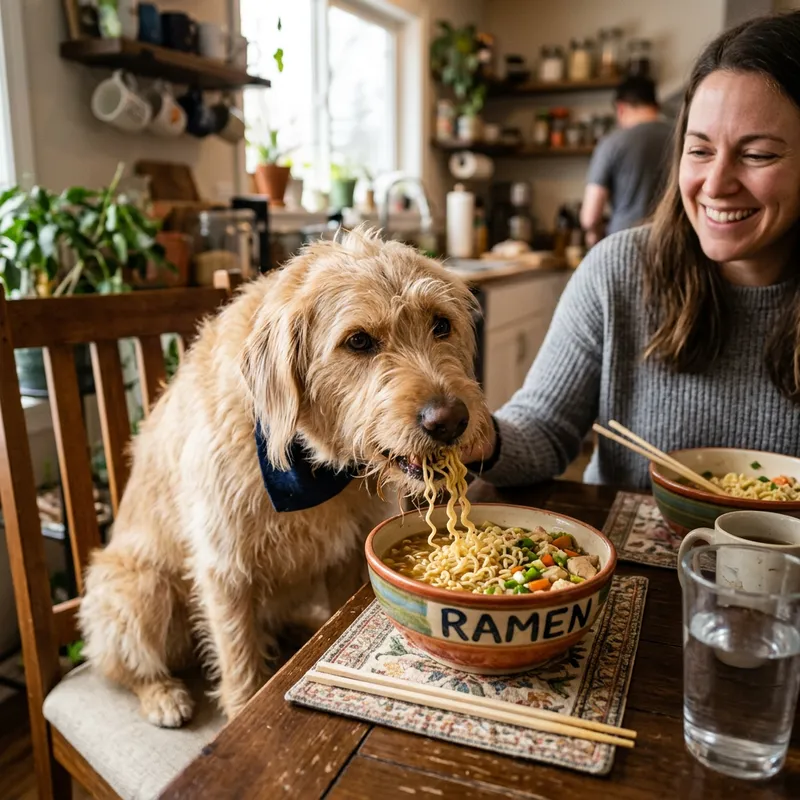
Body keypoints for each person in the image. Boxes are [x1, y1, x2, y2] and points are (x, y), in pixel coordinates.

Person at [462, 11, 800, 490]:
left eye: (758, 154)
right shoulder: (616, 270)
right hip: (630, 560)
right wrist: (480, 437)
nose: (716, 184)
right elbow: (542, 428)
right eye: (700, 150)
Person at [579, 76, 673, 245]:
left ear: (620, 108)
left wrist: (593, 236)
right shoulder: (681, 137)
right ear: (655, 105)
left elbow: (590, 217)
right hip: (672, 241)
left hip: (624, 243)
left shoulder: (612, 143)